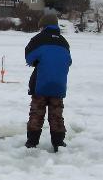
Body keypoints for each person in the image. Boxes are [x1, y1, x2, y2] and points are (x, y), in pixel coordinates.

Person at [24, 14, 72, 152]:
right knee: (56, 114)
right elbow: (69, 61)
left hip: (41, 83)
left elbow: (29, 57)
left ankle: (32, 143)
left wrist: (38, 62)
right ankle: (58, 143)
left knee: (36, 113)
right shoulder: (64, 41)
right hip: (59, 85)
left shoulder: (38, 39)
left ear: (43, 26)